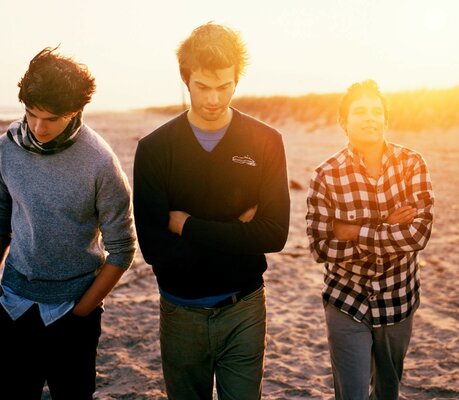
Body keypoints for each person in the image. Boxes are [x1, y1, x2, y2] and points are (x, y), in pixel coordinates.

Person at [133, 22, 290, 400]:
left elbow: (273, 235)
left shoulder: (267, 142)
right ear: (185, 79)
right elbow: (155, 251)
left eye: (225, 86)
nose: (214, 99)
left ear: (237, 80)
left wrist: (187, 225)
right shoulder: (155, 149)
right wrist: (237, 231)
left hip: (245, 307)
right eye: (202, 86)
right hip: (180, 313)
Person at [0, 48, 136, 399]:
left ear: (75, 111)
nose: (38, 128)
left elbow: (122, 250)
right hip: (13, 303)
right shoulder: (6, 149)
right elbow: (1, 224)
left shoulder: (100, 163)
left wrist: (82, 312)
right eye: (31, 115)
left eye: (52, 118)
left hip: (73, 311)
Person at [306, 80, 434, 399]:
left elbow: (418, 234)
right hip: (346, 300)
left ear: (386, 119)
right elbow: (321, 247)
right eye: (360, 111)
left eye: (376, 111)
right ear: (343, 121)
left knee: (387, 392)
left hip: (398, 300)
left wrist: (357, 230)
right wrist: (388, 226)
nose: (369, 117)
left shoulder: (412, 164)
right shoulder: (326, 176)